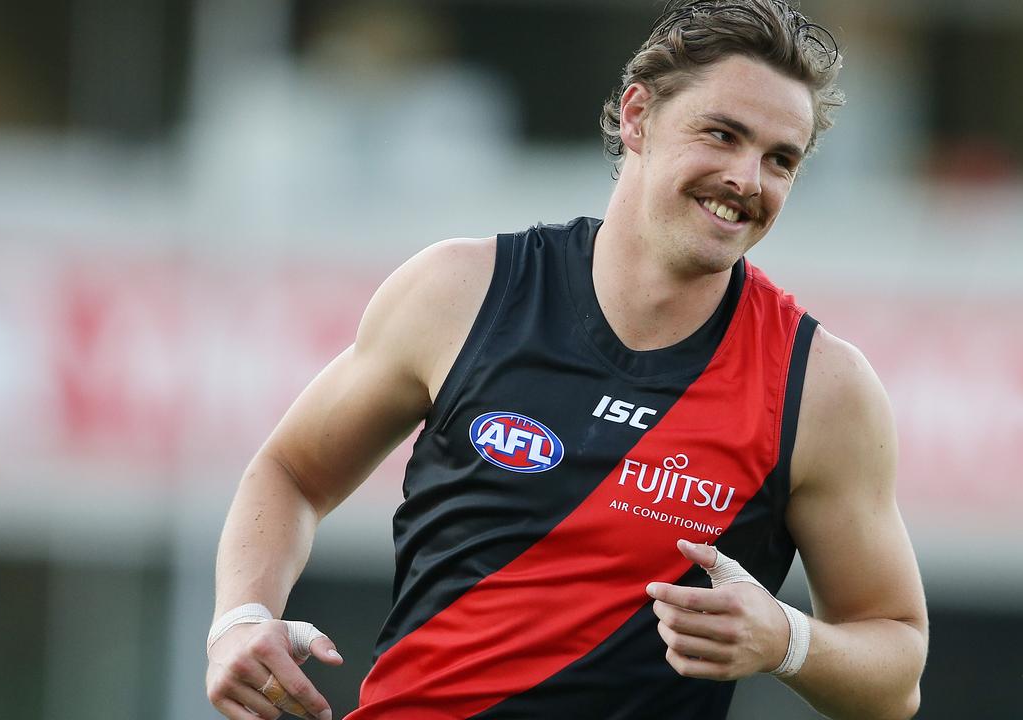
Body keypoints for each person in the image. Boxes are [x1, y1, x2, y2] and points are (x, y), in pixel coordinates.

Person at [204, 1, 928, 718]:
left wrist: (788, 640)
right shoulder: (462, 291)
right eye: (722, 134)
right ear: (638, 117)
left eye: (780, 159)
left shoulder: (820, 387)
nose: (748, 179)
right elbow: (291, 473)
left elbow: (896, 669)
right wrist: (239, 618)